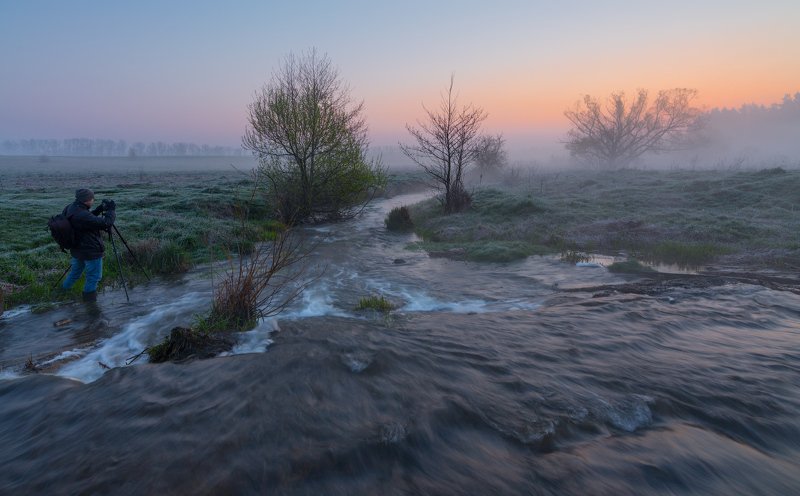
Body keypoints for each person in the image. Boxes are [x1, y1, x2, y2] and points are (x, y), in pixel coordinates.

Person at [61, 188, 116, 302]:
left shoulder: (71, 207)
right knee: (94, 277)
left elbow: (87, 219)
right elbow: (106, 223)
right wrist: (111, 211)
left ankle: (62, 294)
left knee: (74, 273)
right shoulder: (82, 215)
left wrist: (99, 209)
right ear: (86, 200)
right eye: (92, 198)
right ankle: (90, 303)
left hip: (77, 249)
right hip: (90, 250)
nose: (93, 200)